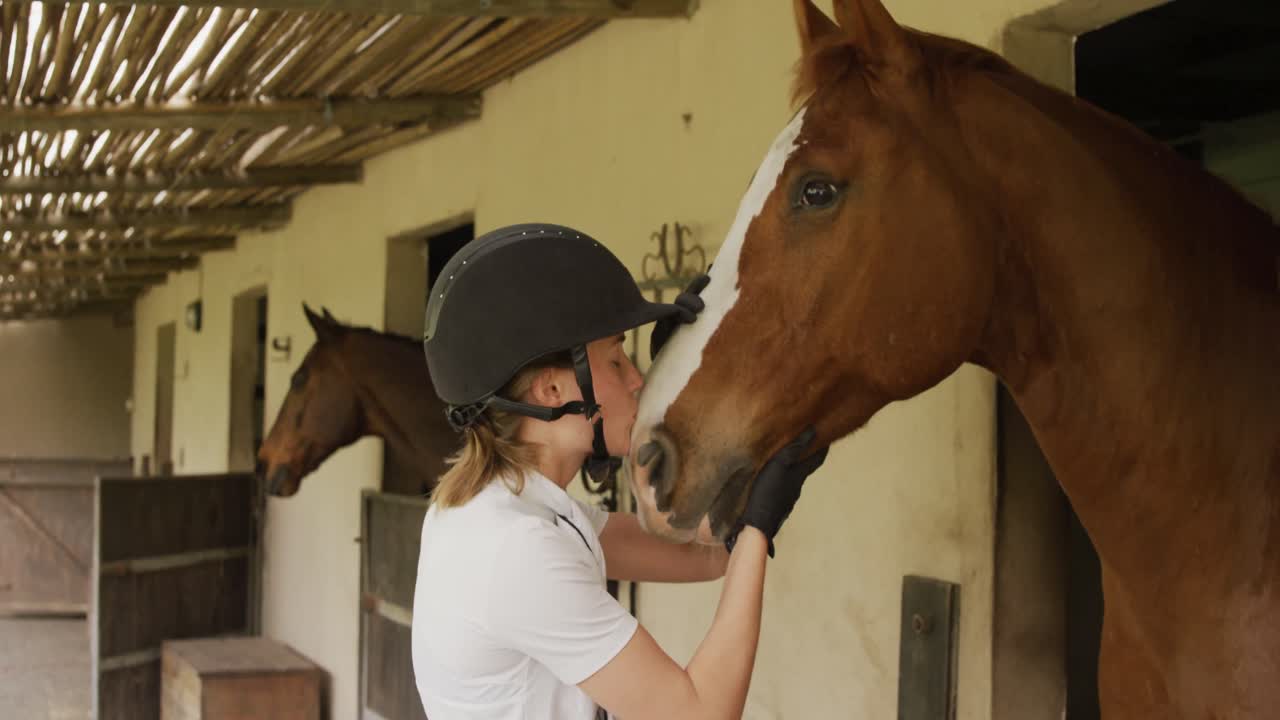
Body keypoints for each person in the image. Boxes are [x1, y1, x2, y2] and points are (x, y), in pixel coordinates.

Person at [411, 222, 828, 720]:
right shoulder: (514, 549)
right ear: (552, 392)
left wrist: (694, 383)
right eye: (616, 361)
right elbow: (700, 714)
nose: (636, 380)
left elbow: (706, 556)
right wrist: (758, 526)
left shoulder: (513, 510)